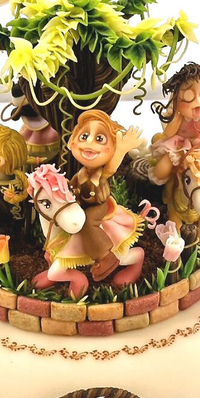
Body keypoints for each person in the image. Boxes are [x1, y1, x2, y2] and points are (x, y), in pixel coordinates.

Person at [67, 110, 142, 280]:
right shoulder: (80, 174)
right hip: (81, 204)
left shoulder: (99, 173)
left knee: (87, 221)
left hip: (97, 206)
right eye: (84, 136)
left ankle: (105, 256)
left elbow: (111, 168)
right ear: (72, 141)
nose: (89, 143)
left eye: (100, 139)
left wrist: (121, 150)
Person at [149, 62, 200, 185]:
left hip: (197, 142)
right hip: (179, 144)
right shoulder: (179, 117)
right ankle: (161, 186)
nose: (199, 101)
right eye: (189, 95)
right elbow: (168, 133)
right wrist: (174, 118)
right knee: (163, 169)